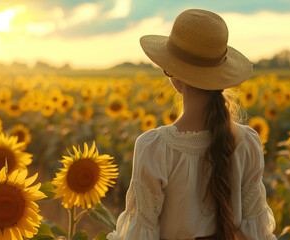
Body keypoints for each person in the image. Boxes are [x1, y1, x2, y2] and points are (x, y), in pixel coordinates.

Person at [106, 8, 276, 240]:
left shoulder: (155, 148)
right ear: (222, 77)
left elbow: (141, 234)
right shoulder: (248, 143)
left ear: (173, 74)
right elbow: (256, 232)